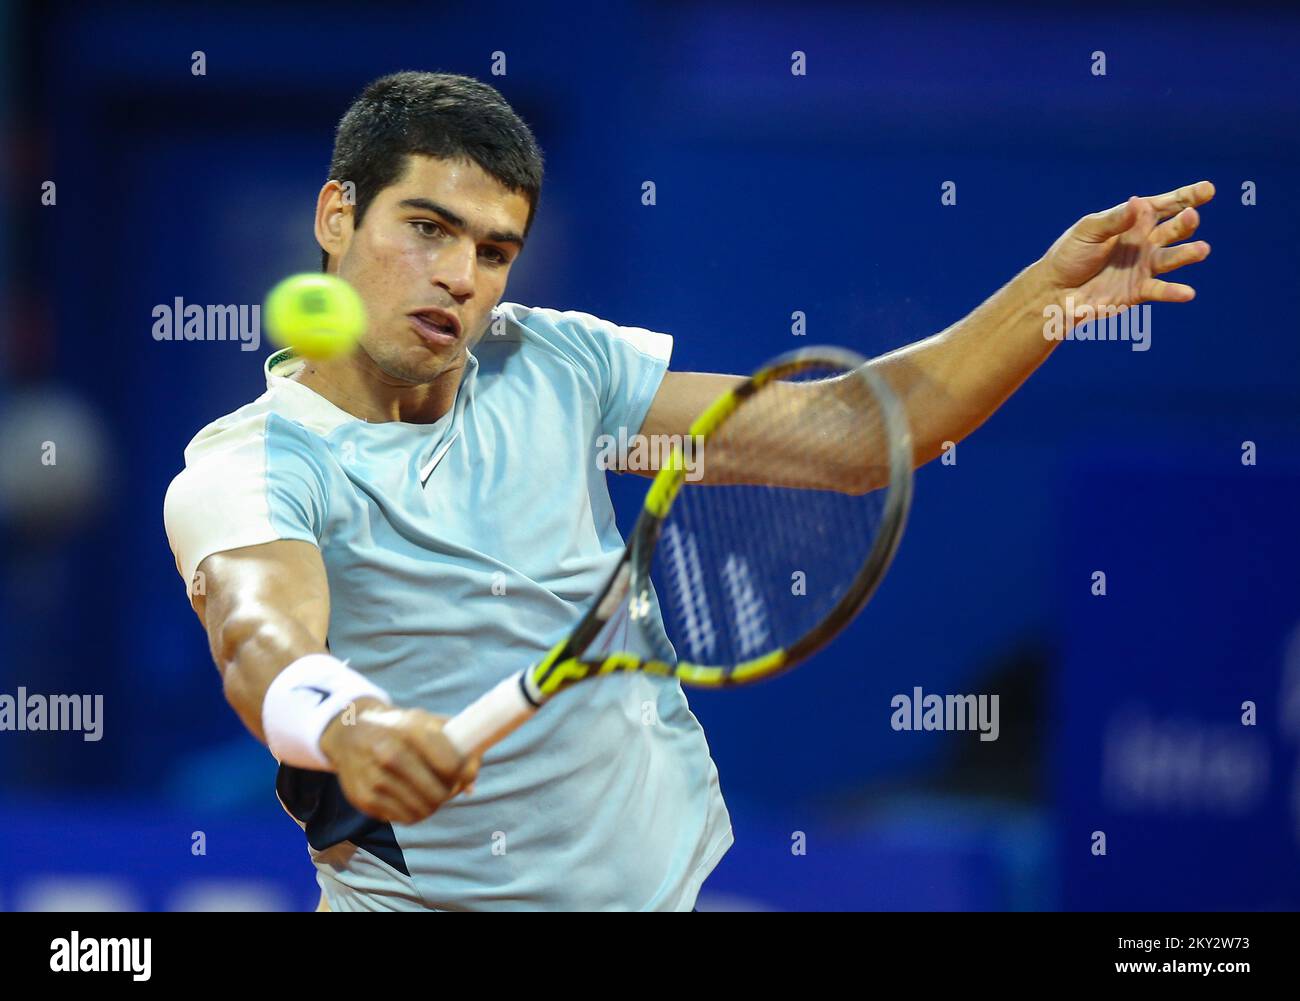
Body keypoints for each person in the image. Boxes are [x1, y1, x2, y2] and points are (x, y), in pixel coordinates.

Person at [163, 71, 1213, 911]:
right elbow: (263, 641)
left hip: (671, 886)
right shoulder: (249, 464)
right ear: (336, 214)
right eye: (426, 229)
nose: (460, 277)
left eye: (494, 250)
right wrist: (351, 724)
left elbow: (854, 439)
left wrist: (1044, 301)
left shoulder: (559, 367)